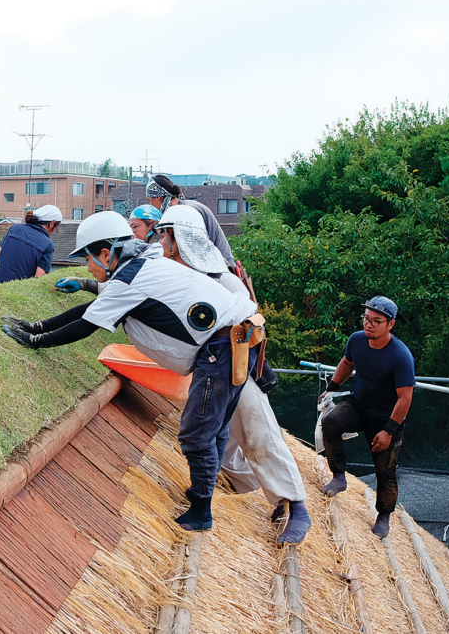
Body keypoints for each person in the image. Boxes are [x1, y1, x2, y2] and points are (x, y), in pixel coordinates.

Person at [0, 211, 257, 531]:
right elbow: (92, 309)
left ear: (106, 254)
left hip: (222, 348)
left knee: (197, 431)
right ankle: (203, 492)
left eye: (89, 259)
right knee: (214, 427)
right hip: (239, 338)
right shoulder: (140, 265)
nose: (89, 266)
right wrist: (36, 327)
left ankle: (201, 510)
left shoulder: (131, 278)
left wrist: (35, 341)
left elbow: (87, 325)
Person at [156, 206, 311, 544]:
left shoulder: (221, 278)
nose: (161, 242)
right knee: (220, 441)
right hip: (210, 366)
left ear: (180, 239)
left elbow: (246, 322)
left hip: (237, 364)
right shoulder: (178, 272)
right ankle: (242, 490)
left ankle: (297, 505)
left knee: (258, 431)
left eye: (165, 235)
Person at [318, 296, 415, 538]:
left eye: (376, 321)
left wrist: (389, 430)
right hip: (359, 405)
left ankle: (383, 516)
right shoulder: (356, 340)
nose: (368, 325)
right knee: (330, 421)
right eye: (366, 319)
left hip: (387, 419)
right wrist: (332, 387)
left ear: (390, 324)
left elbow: (405, 398)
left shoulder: (401, 356)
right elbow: (347, 363)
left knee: (386, 473)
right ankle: (339, 476)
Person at [145, 174, 235, 267]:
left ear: (158, 197)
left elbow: (195, 251)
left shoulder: (187, 212)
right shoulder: (181, 209)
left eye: (149, 200)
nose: (151, 206)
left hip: (218, 269)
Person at [0, 204, 61, 286]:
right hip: (17, 291)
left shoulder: (15, 228)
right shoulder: (47, 244)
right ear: (52, 224)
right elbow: (39, 278)